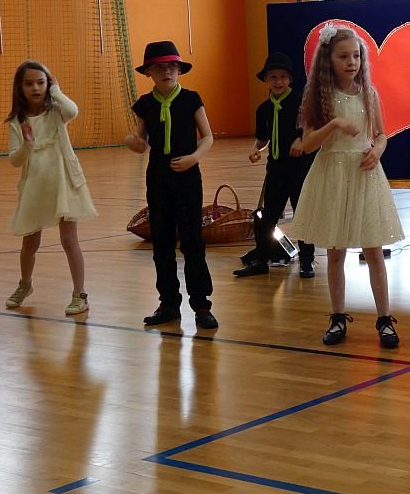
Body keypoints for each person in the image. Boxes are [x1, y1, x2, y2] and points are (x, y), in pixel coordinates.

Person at [290, 25, 404, 348]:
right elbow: (308, 144)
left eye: (356, 56)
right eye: (344, 56)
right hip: (333, 175)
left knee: (374, 250)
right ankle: (338, 317)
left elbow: (381, 134)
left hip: (364, 174)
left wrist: (377, 150)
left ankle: (384, 319)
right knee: (335, 252)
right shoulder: (318, 98)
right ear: (328, 60)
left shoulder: (369, 93)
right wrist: (335, 123)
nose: (351, 62)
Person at [125, 41, 218, 329]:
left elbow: (208, 136)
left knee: (192, 241)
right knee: (162, 242)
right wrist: (134, 142)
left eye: (172, 66)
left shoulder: (191, 99)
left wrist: (193, 158)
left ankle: (201, 304)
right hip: (158, 178)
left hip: (188, 178)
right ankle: (168, 303)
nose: (167, 72)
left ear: (179, 70)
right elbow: (140, 140)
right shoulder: (145, 104)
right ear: (149, 72)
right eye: (159, 67)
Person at [5, 61, 98, 315]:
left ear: (48, 84)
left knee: (69, 240)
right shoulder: (17, 121)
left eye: (41, 82)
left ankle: (80, 294)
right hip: (35, 186)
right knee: (29, 243)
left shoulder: (57, 112)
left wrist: (56, 90)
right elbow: (15, 160)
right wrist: (27, 145)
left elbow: (73, 110)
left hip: (63, 183)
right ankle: (25, 285)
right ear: (20, 88)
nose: (35, 88)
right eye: (29, 83)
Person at [233, 51, 316, 279]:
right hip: (276, 170)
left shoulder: (301, 103)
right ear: (266, 80)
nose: (278, 82)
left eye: (282, 77)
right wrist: (255, 149)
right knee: (267, 216)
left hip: (299, 169)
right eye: (273, 77)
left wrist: (302, 140)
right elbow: (263, 138)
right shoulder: (264, 109)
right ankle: (261, 259)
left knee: (302, 214)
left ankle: (307, 260)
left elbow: (312, 130)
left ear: (290, 79)